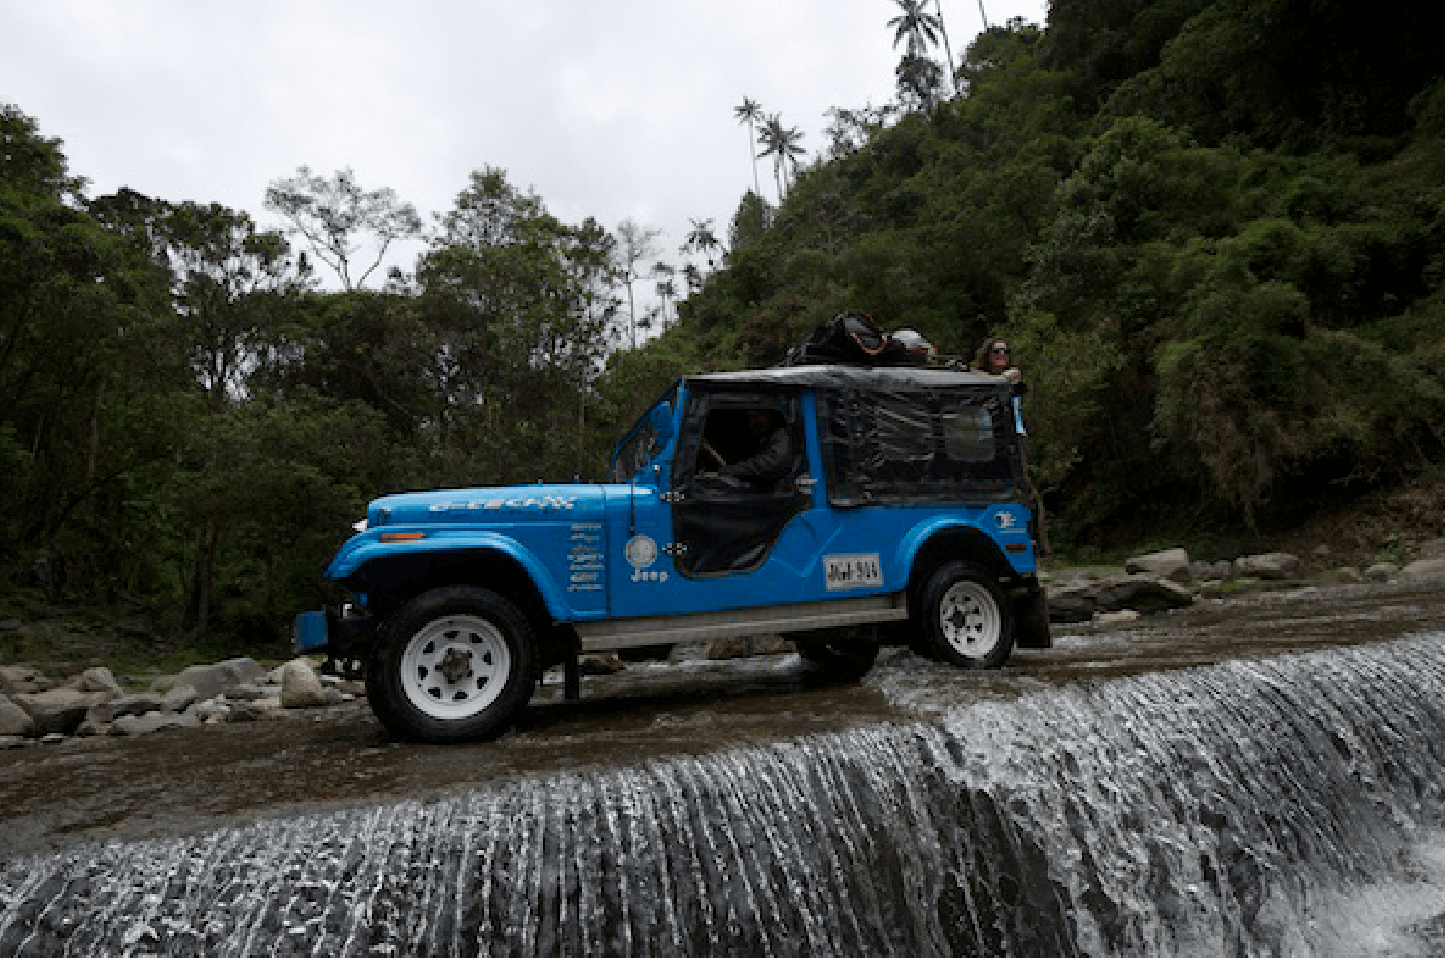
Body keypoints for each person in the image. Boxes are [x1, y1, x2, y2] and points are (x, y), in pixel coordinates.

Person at [718, 409, 794, 488]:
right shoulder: (766, 439)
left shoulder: (782, 436)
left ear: (771, 416)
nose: (754, 421)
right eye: (751, 417)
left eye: (759, 415)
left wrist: (726, 470)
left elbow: (768, 465)